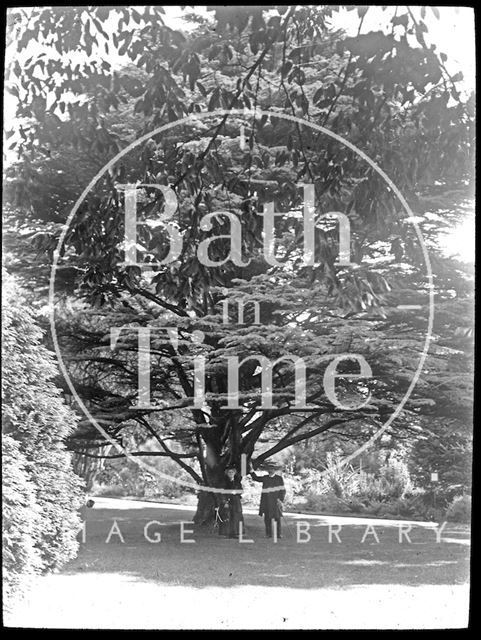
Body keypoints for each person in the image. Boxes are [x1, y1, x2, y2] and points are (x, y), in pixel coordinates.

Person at [250, 464, 286, 538]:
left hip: (276, 501)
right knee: (267, 519)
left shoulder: (279, 478)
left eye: (272, 469)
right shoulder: (265, 478)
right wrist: (251, 471)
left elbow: (282, 490)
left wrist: (280, 499)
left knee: (277, 519)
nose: (270, 470)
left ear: (274, 470)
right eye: (269, 469)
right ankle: (268, 534)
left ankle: (278, 534)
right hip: (266, 501)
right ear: (268, 470)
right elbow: (256, 478)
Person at [218, 466, 244, 538]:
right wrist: (225, 502)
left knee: (236, 517)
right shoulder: (224, 482)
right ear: (227, 473)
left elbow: (241, 490)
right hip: (227, 500)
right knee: (227, 516)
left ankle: (235, 533)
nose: (231, 473)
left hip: (236, 501)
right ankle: (227, 534)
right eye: (229, 472)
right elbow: (222, 492)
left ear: (234, 473)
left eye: (232, 472)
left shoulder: (237, 482)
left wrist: (236, 492)